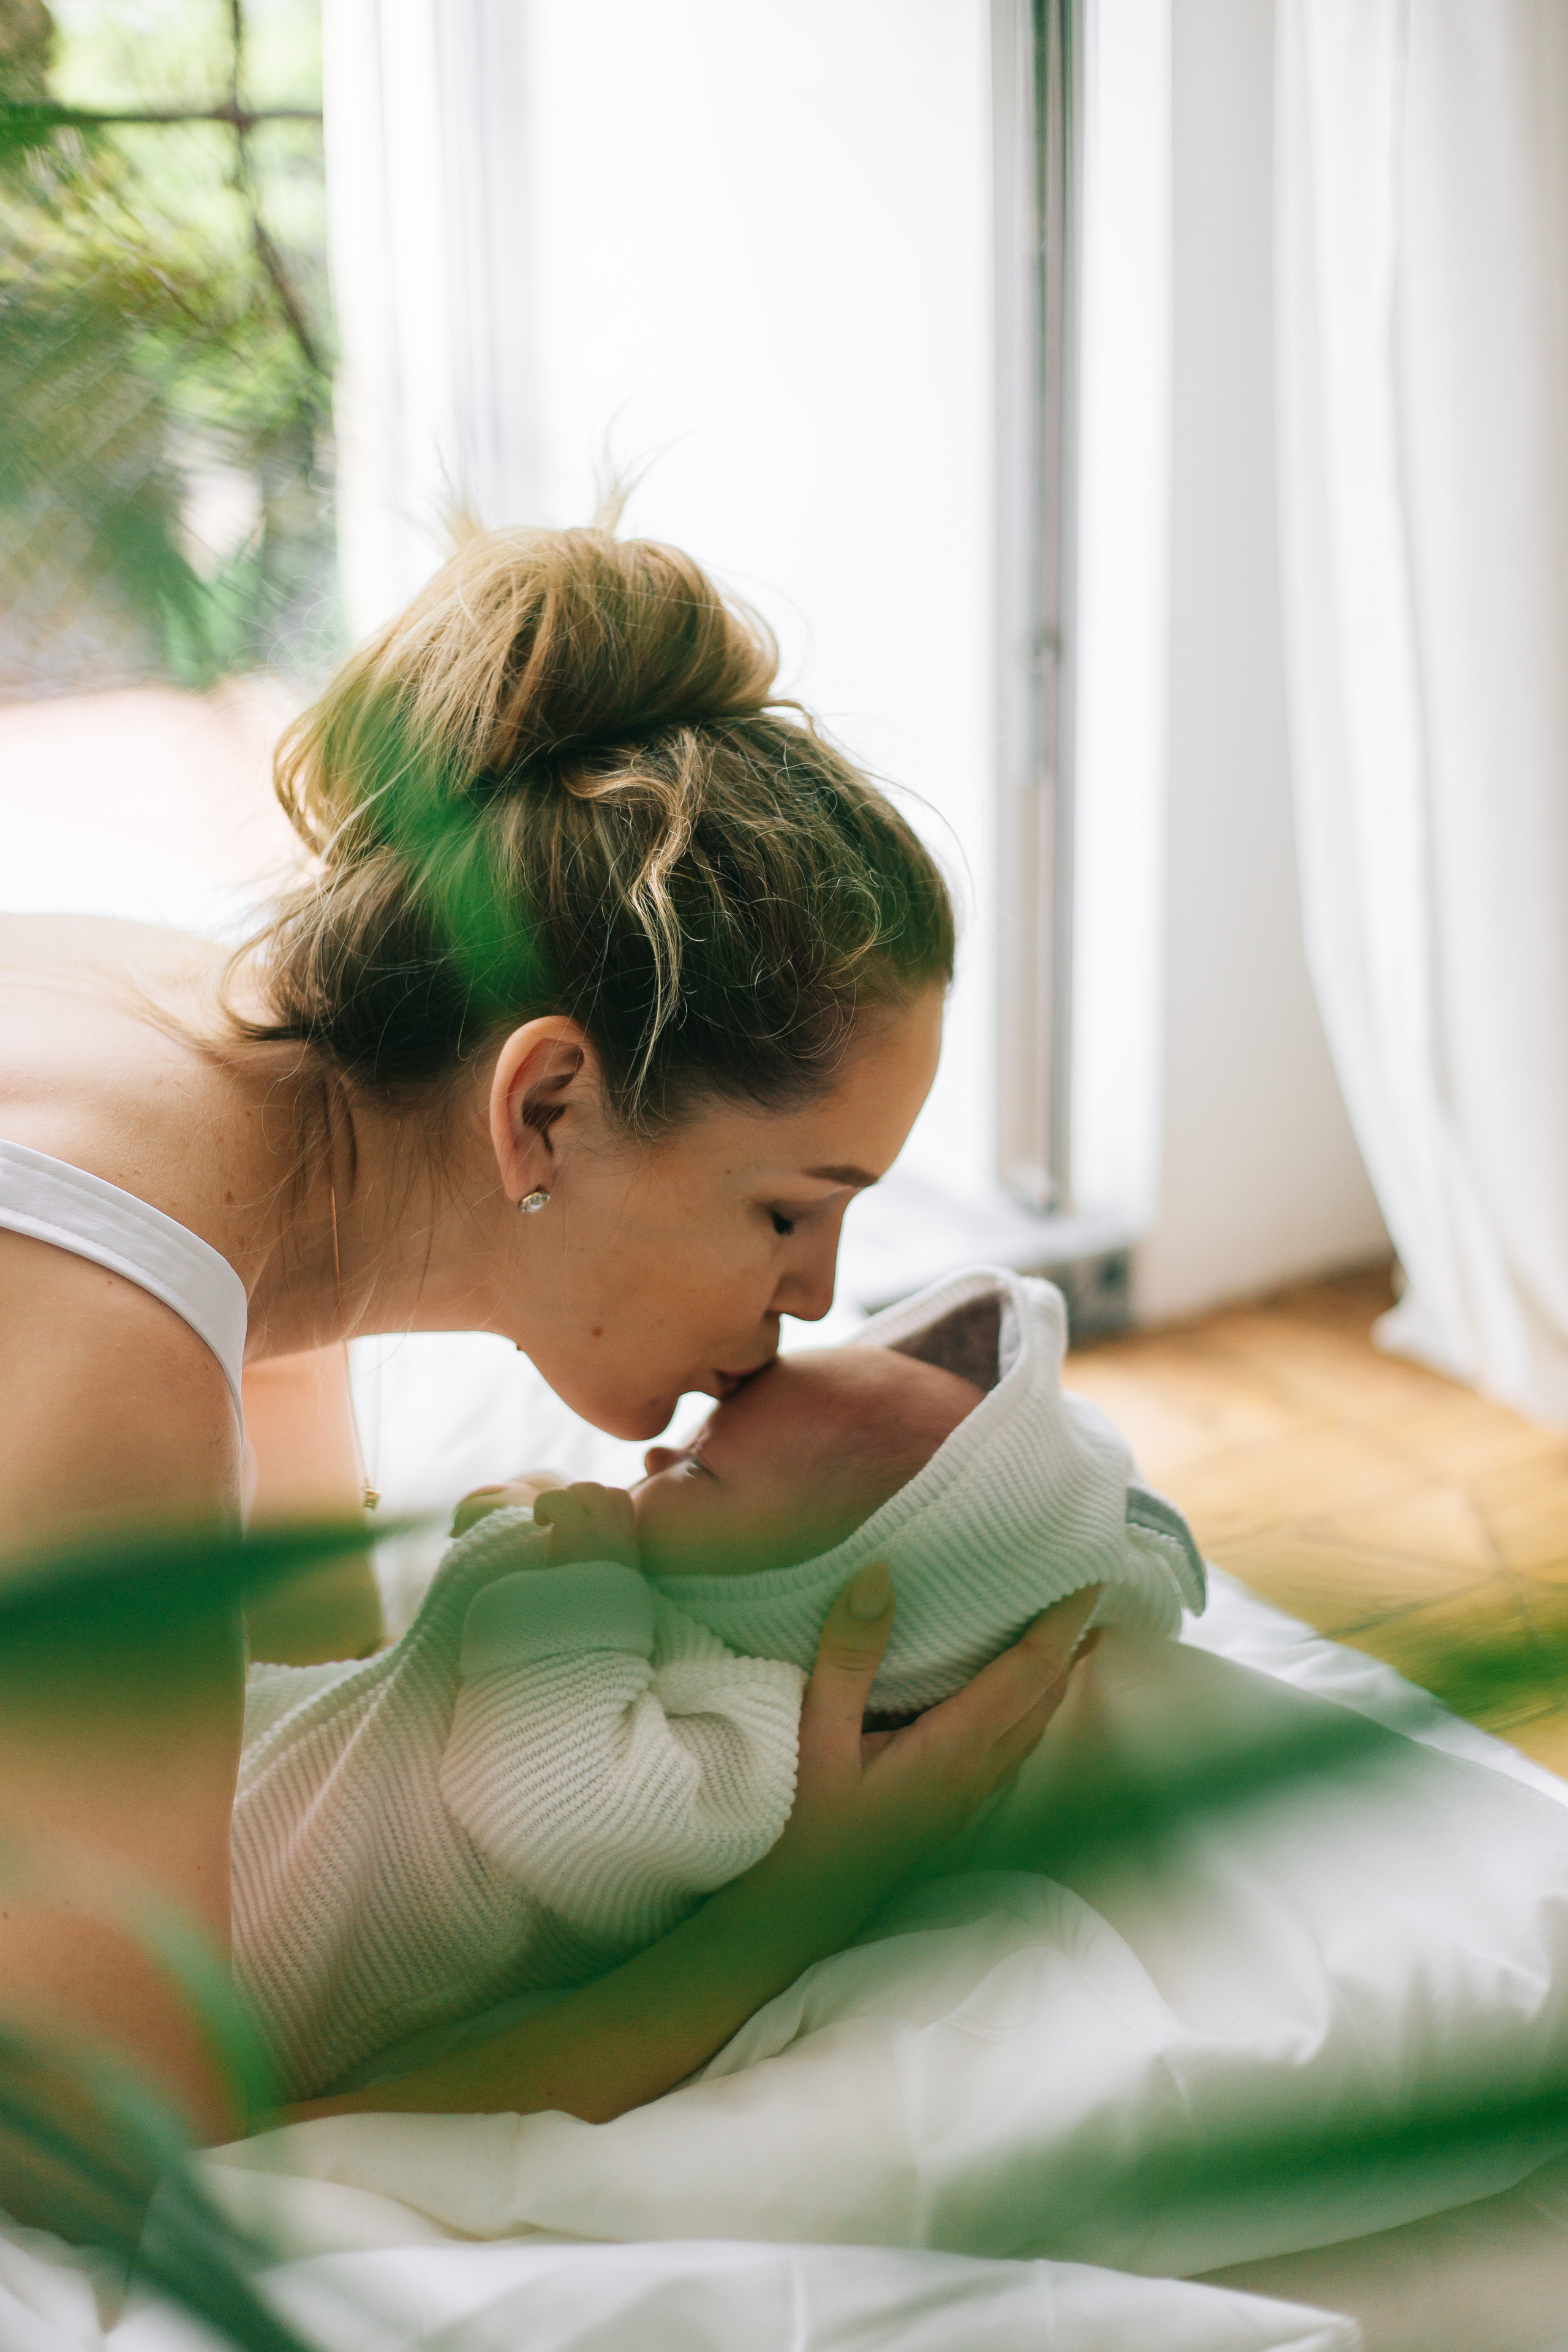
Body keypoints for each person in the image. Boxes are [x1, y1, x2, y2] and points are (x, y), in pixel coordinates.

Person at [0, 524, 1096, 2144]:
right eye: (788, 1212)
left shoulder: (234, 1084)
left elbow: (312, 1711)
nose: (813, 1299)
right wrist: (799, 1906)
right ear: (548, 1106)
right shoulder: (118, 1342)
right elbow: (124, 2151)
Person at [233, 1264, 1204, 2111]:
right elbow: (433, 1673)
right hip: (257, 1791)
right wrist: (515, 1532)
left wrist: (567, 1585)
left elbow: (554, 1798)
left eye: (701, 1467)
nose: (658, 1457)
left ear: (807, 1595)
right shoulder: (662, 1628)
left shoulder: (753, 1745)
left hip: (262, 1964)